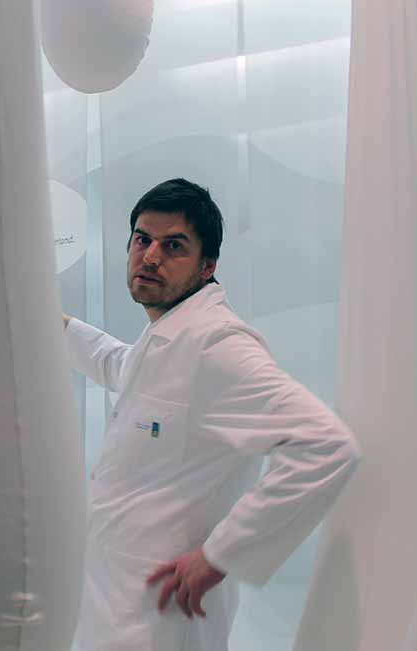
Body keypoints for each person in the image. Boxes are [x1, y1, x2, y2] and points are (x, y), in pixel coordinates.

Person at [63, 178, 361, 651]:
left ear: (207, 267)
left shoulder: (217, 344)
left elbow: (326, 445)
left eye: (173, 246)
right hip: (115, 599)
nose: (151, 256)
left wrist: (221, 554)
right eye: (142, 239)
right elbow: (127, 370)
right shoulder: (171, 335)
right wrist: (56, 325)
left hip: (163, 617)